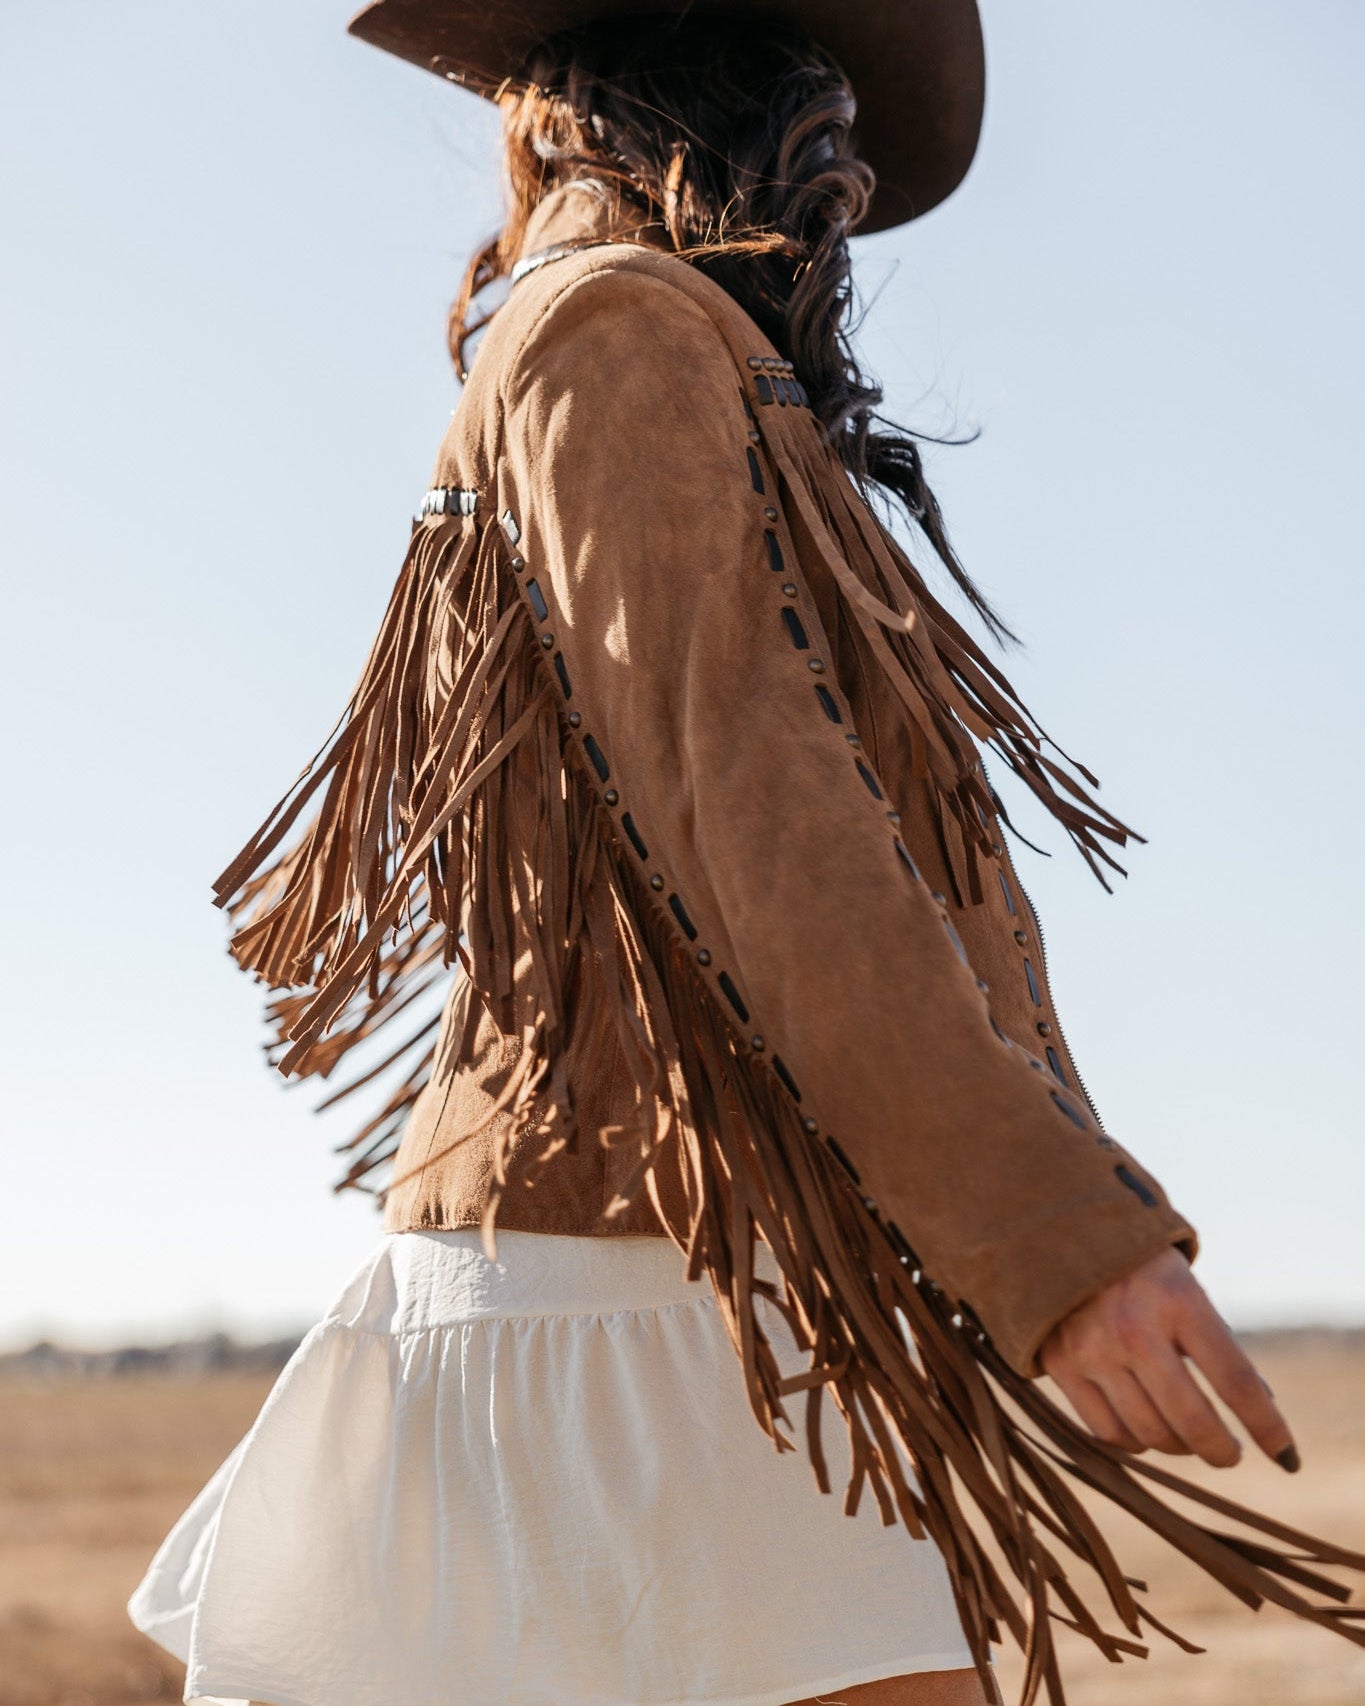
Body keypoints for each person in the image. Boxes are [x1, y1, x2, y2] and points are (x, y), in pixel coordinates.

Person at [127, 4, 1365, 1704]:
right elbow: (754, 802)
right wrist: (1051, 1233)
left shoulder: (664, 346)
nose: (844, 162)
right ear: (709, 89)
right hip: (640, 1300)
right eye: (820, 99)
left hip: (696, 1284)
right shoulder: (613, 337)